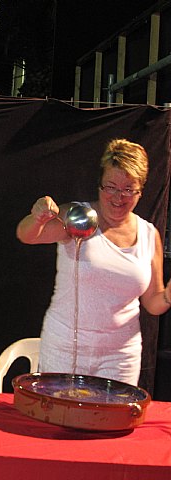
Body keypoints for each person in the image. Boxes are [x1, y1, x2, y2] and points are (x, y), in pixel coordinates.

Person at [16, 138, 171, 386]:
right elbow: (27, 235)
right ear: (99, 185)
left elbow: (153, 302)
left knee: (114, 411)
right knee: (60, 409)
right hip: (66, 348)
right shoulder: (77, 216)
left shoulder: (148, 234)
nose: (118, 197)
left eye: (128, 189)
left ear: (140, 191)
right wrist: (38, 217)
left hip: (120, 355)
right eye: (111, 187)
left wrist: (168, 296)